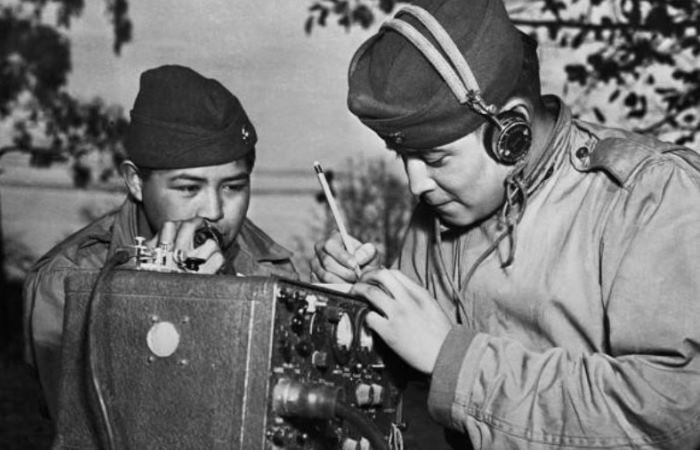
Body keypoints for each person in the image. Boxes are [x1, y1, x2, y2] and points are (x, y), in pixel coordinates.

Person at [312, 0, 700, 447]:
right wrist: (358, 307)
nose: (417, 184)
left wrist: (454, 360)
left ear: (510, 133)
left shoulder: (649, 194)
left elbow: (673, 412)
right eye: (404, 157)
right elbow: (400, 385)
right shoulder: (440, 211)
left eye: (435, 158)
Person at [23, 64, 297, 420]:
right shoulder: (67, 282)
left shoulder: (269, 268)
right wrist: (148, 305)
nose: (214, 211)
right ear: (136, 182)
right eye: (188, 188)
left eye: (233, 187)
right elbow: (86, 428)